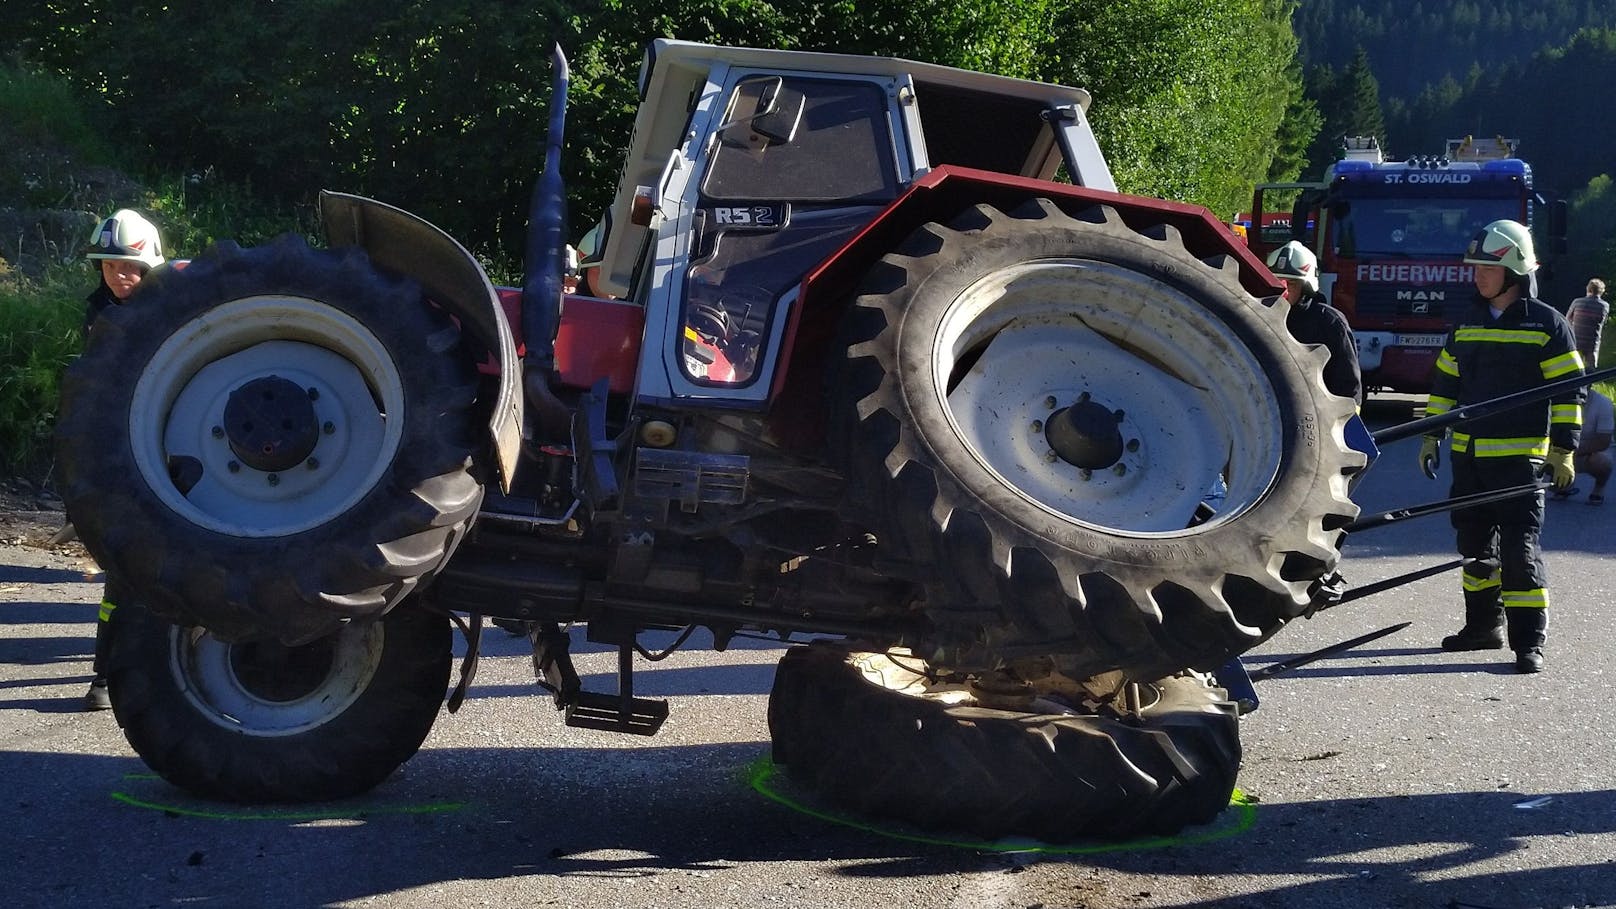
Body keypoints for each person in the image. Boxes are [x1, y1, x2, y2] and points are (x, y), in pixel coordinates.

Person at [1418, 219, 1582, 674]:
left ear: (1514, 270)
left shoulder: (1548, 325)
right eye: (1474, 268)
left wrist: (1564, 449)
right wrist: (1432, 433)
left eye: (1485, 269)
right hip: (1469, 462)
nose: (1477, 276)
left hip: (1519, 464)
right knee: (1475, 550)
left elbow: (1570, 394)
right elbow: (1445, 384)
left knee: (1519, 553)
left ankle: (1528, 642)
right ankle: (1482, 628)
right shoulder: (1467, 323)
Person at [79, 208, 166, 710]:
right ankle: (105, 676)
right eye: (110, 268)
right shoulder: (99, 313)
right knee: (120, 569)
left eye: (128, 268)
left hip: (168, 451)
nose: (119, 277)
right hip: (118, 454)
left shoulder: (175, 305)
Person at [1266, 241, 1363, 404]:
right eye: (1279, 282)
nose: (1285, 290)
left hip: (1318, 411)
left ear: (1306, 286)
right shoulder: (1262, 317)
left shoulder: (1329, 321)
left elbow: (1348, 383)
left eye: (1291, 283)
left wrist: (1346, 423)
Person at [1552, 386, 1612, 505]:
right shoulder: (1558, 400)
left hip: (1590, 451)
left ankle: (1599, 487)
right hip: (1564, 447)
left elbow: (1603, 441)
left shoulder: (1603, 403)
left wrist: (1572, 452)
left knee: (1601, 463)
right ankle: (1563, 484)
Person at [1566, 278, 1608, 366]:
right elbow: (1603, 322)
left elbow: (1567, 319)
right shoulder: (1605, 306)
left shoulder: (1577, 302)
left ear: (1588, 289)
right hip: (1592, 342)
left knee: (1576, 368)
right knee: (1590, 370)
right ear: (1601, 291)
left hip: (1576, 340)